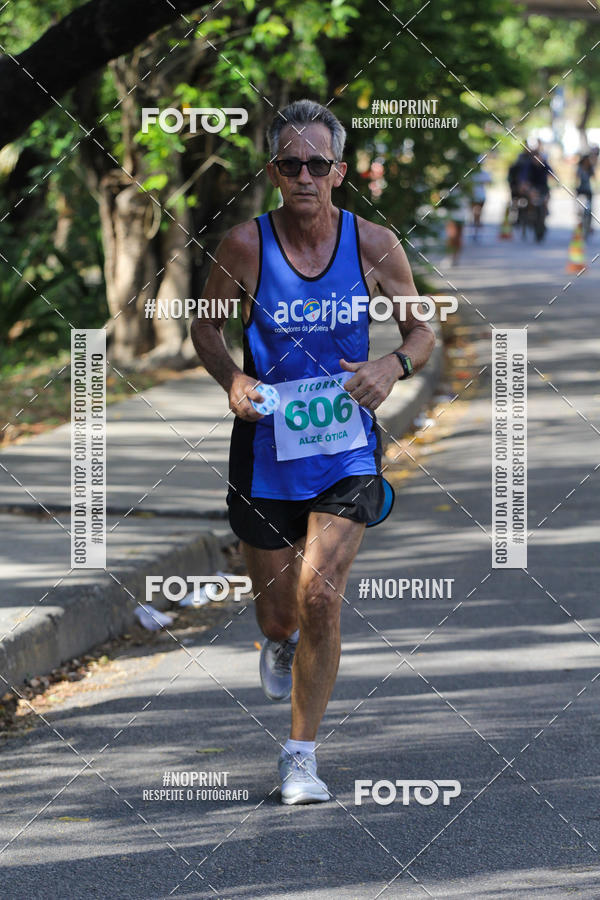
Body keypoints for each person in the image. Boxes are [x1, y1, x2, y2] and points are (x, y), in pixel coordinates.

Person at [190, 98, 435, 805]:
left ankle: (300, 757)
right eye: (291, 163)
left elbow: (420, 331)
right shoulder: (243, 245)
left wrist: (393, 367)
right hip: (266, 441)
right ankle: (275, 639)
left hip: (346, 445)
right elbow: (206, 333)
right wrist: (232, 377)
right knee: (281, 616)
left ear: (339, 171)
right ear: (274, 171)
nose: (304, 175)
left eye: (317, 164)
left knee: (321, 596)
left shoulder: (374, 244)